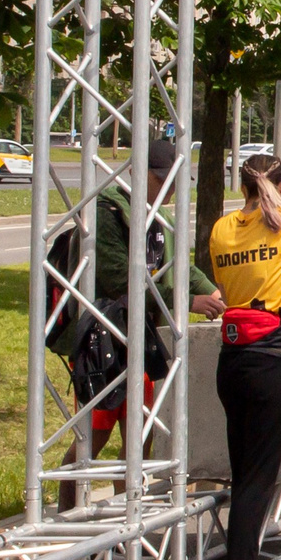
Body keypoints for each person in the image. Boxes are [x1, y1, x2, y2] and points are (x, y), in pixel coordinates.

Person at [46, 138, 222, 511]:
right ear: (139, 173)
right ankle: (66, 517)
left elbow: (178, 265)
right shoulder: (106, 212)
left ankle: (128, 516)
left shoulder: (160, 217)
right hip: (101, 342)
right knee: (91, 439)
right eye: (162, 180)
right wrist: (186, 301)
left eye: (175, 182)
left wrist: (212, 291)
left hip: (143, 343)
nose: (170, 190)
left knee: (139, 440)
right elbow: (118, 277)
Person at [205, 152, 281, 560]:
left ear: (242, 184)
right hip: (275, 352)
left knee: (244, 468)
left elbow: (225, 285)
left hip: (233, 355)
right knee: (260, 473)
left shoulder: (221, 228)